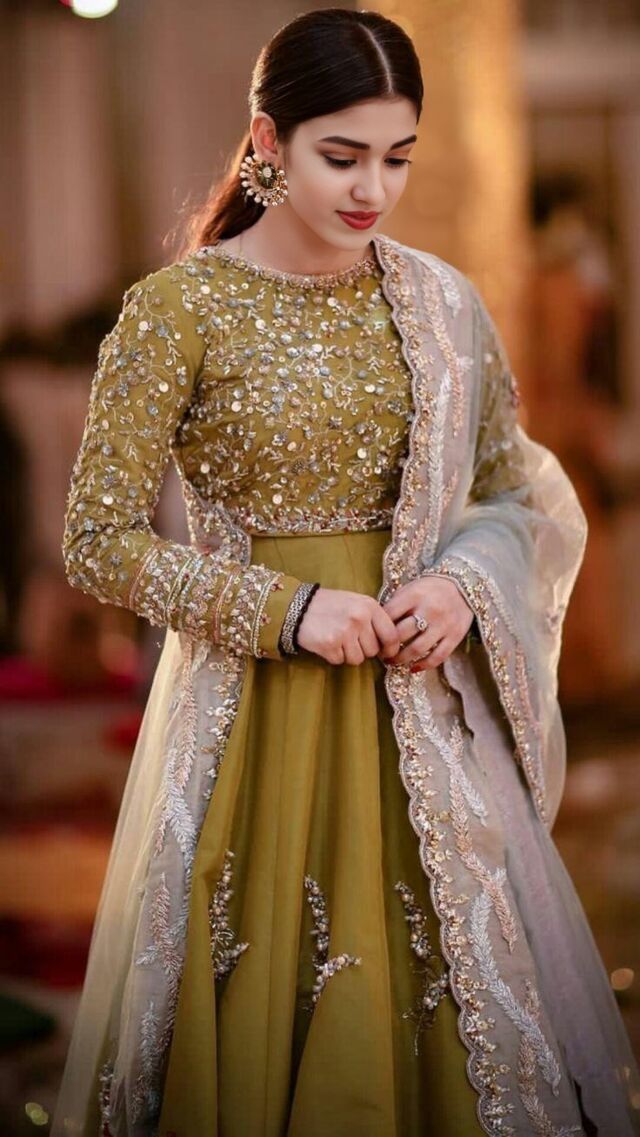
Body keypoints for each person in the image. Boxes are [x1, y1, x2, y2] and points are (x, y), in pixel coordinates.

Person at [52, 9, 640, 1137]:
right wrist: (287, 610)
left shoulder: (441, 305)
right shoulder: (176, 312)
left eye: (397, 157)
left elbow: (514, 493)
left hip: (418, 714)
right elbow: (98, 538)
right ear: (267, 141)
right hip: (252, 726)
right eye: (342, 155)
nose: (374, 189)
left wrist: (460, 586)